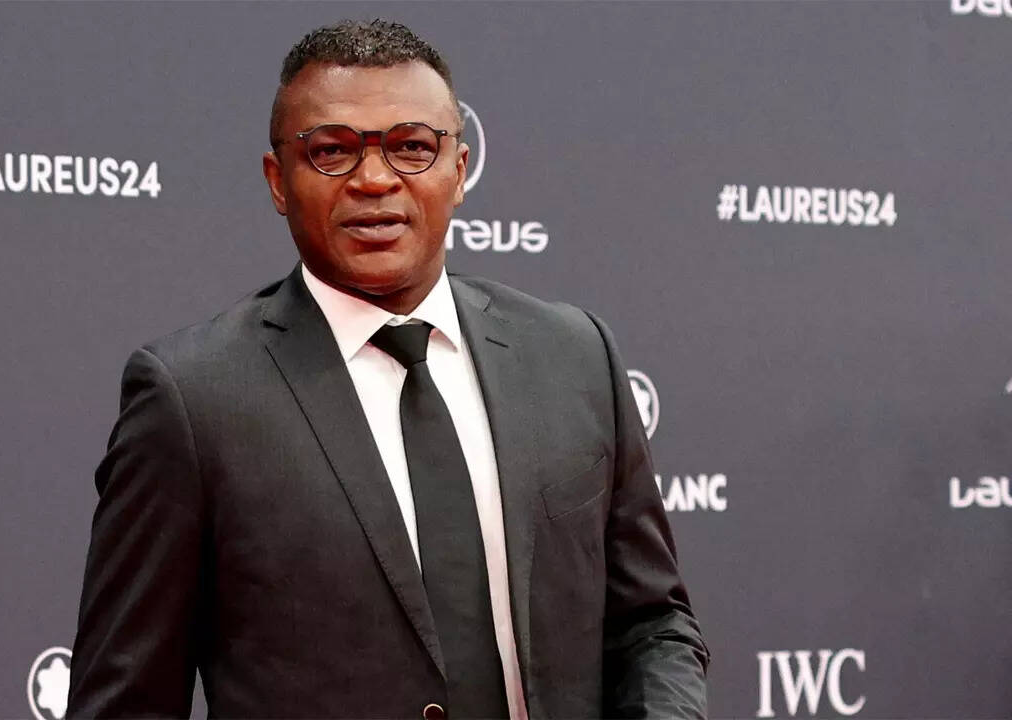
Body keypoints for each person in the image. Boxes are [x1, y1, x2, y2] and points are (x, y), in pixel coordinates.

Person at [67, 19, 708, 720]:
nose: (374, 180)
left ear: (459, 170)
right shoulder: (194, 399)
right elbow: (126, 700)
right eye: (332, 151)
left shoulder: (574, 355)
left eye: (411, 147)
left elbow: (653, 625)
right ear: (278, 181)